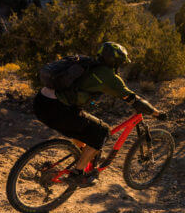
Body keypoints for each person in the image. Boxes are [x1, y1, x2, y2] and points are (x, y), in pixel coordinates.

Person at [33, 42, 163, 186]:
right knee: (103, 131)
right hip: (57, 109)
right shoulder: (109, 76)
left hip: (40, 103)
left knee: (85, 128)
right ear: (116, 62)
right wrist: (156, 113)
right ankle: (77, 174)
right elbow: (135, 100)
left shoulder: (87, 63)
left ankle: (84, 157)